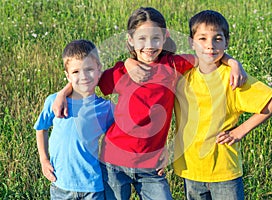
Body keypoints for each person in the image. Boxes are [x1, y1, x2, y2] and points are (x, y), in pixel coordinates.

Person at [52, 7, 247, 200]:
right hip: (113, 163)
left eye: (155, 38)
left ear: (164, 37)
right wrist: (63, 92)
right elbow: (87, 80)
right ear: (130, 40)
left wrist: (233, 63)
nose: (149, 45)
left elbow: (208, 56)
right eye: (142, 39)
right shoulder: (121, 71)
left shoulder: (173, 65)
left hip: (151, 167)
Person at [173, 10, 272, 200]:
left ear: (227, 42)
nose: (210, 45)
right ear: (191, 42)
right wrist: (232, 59)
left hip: (224, 172)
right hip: (190, 169)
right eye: (202, 38)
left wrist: (239, 131)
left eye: (217, 39)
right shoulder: (183, 74)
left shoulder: (233, 79)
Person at [34, 39, 114, 200]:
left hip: (92, 186)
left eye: (89, 69)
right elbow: (41, 128)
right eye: (76, 72)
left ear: (99, 69)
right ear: (67, 75)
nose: (83, 76)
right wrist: (43, 159)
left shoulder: (106, 108)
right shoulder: (54, 101)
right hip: (60, 185)